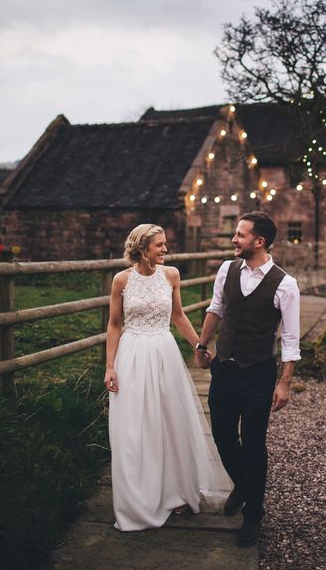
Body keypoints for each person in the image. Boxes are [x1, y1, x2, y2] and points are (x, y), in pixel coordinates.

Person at [104, 223, 230, 531]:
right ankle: (138, 499)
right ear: (143, 248)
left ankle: (175, 492)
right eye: (159, 245)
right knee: (135, 427)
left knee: (171, 421)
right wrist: (110, 366)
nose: (165, 249)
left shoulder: (171, 275)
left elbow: (178, 315)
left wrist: (198, 345)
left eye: (165, 244)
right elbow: (114, 324)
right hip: (132, 355)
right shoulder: (121, 280)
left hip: (164, 353)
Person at [195, 211, 300, 547]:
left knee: (253, 442)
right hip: (224, 367)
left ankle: (254, 513)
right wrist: (201, 344)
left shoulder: (285, 284)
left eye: (240, 235)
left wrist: (284, 382)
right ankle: (243, 483)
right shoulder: (227, 269)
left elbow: (291, 338)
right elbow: (217, 308)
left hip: (258, 372)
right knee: (223, 435)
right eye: (235, 233)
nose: (233, 240)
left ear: (259, 242)